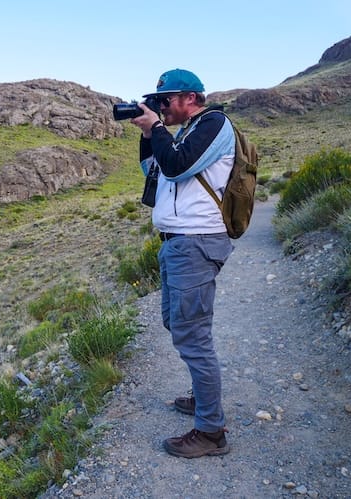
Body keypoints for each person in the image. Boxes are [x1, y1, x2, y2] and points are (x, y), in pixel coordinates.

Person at [130, 68, 236, 458]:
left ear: (191, 97)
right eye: (157, 102)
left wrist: (157, 127)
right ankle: (202, 397)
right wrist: (149, 134)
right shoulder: (184, 135)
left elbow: (175, 165)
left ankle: (211, 432)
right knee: (178, 323)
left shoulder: (214, 123)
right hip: (177, 245)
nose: (161, 107)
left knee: (193, 336)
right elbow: (155, 174)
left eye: (166, 100)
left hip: (196, 244)